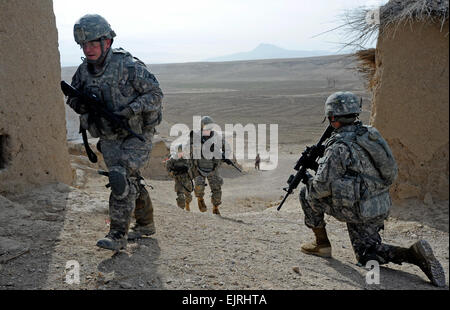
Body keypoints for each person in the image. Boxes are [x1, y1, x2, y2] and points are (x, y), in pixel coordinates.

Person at [298, 91, 445, 287]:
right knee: (368, 256)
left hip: (358, 210)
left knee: (306, 194)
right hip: (379, 205)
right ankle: (413, 255)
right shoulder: (369, 134)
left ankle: (321, 244)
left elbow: (319, 189)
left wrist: (308, 179)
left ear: (332, 117)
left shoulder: (338, 147)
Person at [67, 14, 163, 251]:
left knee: (119, 177)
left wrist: (129, 110)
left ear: (106, 42)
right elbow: (72, 95)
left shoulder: (128, 66)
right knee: (130, 180)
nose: (87, 49)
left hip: (136, 132)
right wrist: (81, 105)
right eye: (83, 45)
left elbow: (155, 95)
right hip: (108, 135)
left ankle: (117, 234)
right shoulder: (83, 71)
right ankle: (145, 223)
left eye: (92, 43)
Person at [189, 116, 228, 215]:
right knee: (199, 186)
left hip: (212, 167)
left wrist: (224, 155)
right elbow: (189, 147)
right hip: (198, 166)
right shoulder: (195, 136)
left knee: (217, 189)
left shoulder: (217, 137)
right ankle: (200, 199)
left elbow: (225, 147)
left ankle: (215, 207)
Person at [166, 144, 193, 211]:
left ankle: (187, 205)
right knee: (180, 196)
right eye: (180, 151)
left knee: (188, 196)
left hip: (187, 179)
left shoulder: (188, 158)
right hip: (179, 180)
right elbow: (168, 167)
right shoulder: (173, 159)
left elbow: (192, 167)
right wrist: (173, 173)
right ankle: (181, 210)